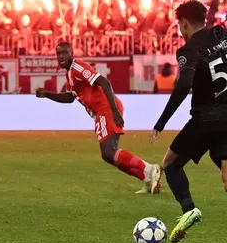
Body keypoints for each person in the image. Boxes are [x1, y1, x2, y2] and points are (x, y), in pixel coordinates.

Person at [149, 0, 227, 243]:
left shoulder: (189, 50)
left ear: (184, 23)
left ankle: (189, 209)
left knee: (171, 163)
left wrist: (161, 123)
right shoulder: (222, 33)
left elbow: (183, 86)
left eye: (179, 26)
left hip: (207, 118)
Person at [36, 41, 162, 194]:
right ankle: (147, 178)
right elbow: (70, 98)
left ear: (72, 54)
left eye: (64, 53)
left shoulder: (78, 67)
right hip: (101, 111)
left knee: (108, 152)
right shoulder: (69, 75)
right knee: (108, 155)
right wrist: (47, 94)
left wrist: (114, 110)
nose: (60, 56)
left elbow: (104, 82)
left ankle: (150, 170)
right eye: (58, 53)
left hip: (106, 108)